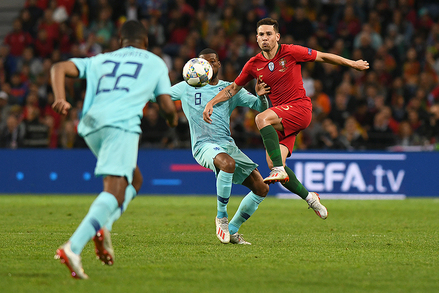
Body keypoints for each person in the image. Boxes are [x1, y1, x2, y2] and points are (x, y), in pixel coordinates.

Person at [203, 18, 370, 219]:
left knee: (261, 119)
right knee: (274, 165)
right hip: (282, 118)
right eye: (261, 35)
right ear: (256, 39)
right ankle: (310, 198)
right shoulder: (253, 64)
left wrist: (353, 63)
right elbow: (232, 88)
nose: (265, 38)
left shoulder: (291, 52)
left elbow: (323, 57)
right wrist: (211, 102)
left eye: (269, 34)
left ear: (277, 37)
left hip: (300, 108)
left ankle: (280, 169)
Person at [51, 20, 177, 279]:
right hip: (120, 126)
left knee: (135, 179)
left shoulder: (100, 59)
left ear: (120, 41)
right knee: (115, 188)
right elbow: (166, 105)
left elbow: (58, 67)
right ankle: (73, 247)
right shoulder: (154, 62)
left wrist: (60, 98)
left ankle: (103, 226)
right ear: (146, 42)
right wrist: (173, 120)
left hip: (89, 125)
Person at [170, 48, 270, 245]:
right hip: (203, 145)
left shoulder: (230, 89)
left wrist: (261, 96)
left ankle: (232, 230)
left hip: (227, 144)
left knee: (261, 188)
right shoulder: (186, 87)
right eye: (203, 62)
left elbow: (261, 108)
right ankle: (221, 218)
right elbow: (158, 96)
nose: (208, 65)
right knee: (228, 164)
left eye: (212, 61)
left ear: (218, 64)